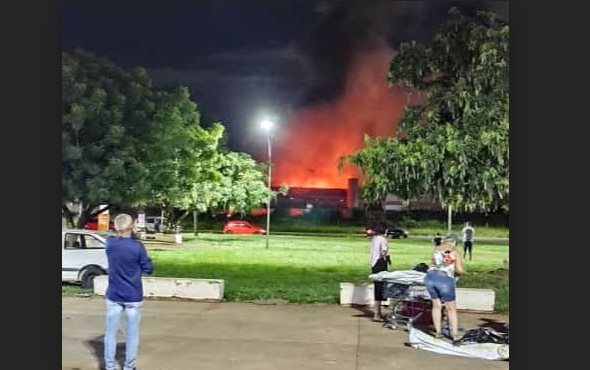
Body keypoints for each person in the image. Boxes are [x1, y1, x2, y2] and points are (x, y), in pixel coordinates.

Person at [104, 214, 154, 370]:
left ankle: (110, 366)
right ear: (131, 227)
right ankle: (128, 366)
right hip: (133, 295)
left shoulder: (110, 244)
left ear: (116, 227)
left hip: (114, 295)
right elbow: (149, 269)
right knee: (132, 335)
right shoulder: (137, 246)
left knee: (110, 333)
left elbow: (115, 238)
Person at [424, 235, 465, 344]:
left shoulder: (436, 249)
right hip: (445, 279)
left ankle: (438, 332)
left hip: (430, 277)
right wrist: (458, 272)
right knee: (451, 309)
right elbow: (460, 270)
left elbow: (432, 263)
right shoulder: (455, 251)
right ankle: (455, 335)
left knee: (436, 306)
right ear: (455, 243)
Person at [369, 222, 390, 322]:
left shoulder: (375, 238)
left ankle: (378, 312)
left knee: (378, 287)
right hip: (380, 264)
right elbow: (384, 252)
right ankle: (377, 314)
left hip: (374, 264)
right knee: (380, 289)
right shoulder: (383, 239)